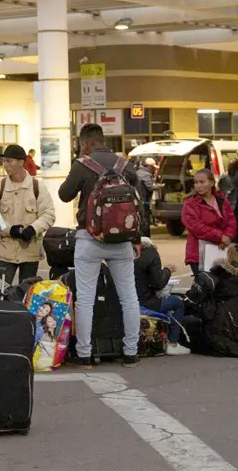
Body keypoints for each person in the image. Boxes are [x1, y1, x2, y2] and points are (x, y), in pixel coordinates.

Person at [58, 123, 143, 369]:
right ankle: (130, 352)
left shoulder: (83, 165)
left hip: (90, 238)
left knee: (85, 299)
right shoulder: (124, 165)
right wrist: (136, 238)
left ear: (85, 142)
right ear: (103, 139)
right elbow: (138, 203)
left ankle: (84, 354)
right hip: (122, 240)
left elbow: (65, 195)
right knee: (129, 297)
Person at [0, 144, 56, 285]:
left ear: (21, 162)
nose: (5, 165)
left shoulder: (37, 187)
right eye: (4, 161)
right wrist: (10, 230)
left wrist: (33, 228)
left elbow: (49, 214)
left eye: (9, 161)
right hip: (5, 253)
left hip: (30, 252)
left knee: (28, 295)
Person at [133, 237, 190, 355]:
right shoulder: (151, 254)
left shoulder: (126, 255)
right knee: (177, 302)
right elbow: (158, 283)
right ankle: (173, 343)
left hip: (129, 302)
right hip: (146, 303)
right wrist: (167, 270)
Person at [181, 168, 236, 276]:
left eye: (202, 182)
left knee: (223, 288)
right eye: (196, 182)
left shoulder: (221, 199)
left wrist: (227, 236)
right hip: (199, 253)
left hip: (222, 250)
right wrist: (220, 236)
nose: (198, 186)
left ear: (211, 182)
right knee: (206, 286)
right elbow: (195, 226)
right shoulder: (190, 203)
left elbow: (231, 219)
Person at [136, 158, 156, 238]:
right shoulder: (146, 174)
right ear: (149, 166)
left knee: (140, 219)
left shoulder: (137, 172)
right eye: (153, 167)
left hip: (138, 200)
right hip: (144, 201)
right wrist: (159, 187)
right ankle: (146, 238)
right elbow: (150, 187)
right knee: (145, 220)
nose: (154, 169)